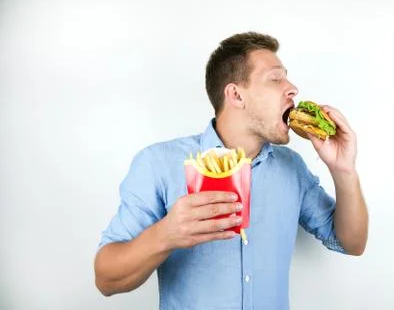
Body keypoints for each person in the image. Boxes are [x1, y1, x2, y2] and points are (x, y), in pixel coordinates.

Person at [94, 31, 368, 309]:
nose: (293, 88)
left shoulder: (292, 168)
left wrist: (344, 169)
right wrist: (166, 234)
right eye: (276, 78)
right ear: (236, 95)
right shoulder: (158, 163)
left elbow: (351, 243)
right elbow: (106, 278)